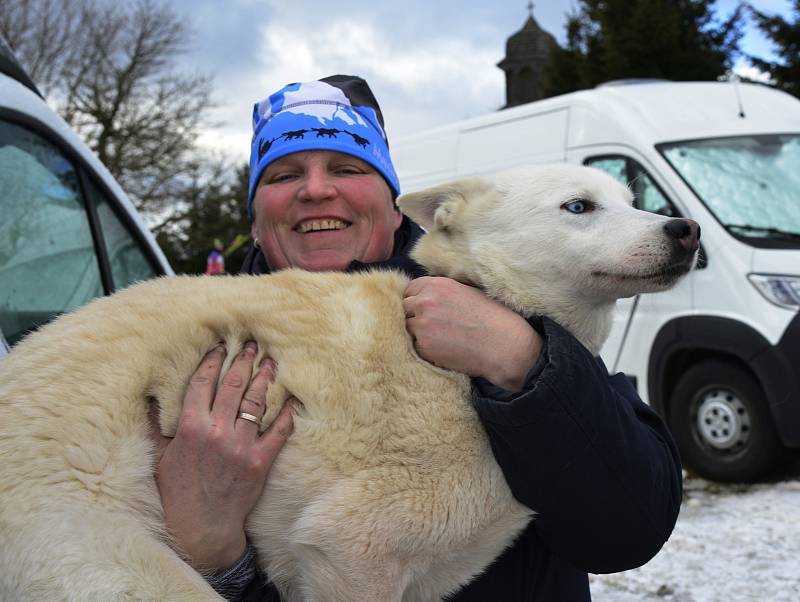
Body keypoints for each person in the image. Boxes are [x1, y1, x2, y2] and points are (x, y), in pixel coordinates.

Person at [151, 75, 682, 601]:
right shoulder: (192, 346)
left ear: (392, 196)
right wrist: (215, 557)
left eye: (346, 167)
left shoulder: (516, 302)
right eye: (284, 174)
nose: (315, 189)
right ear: (257, 209)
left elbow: (628, 530)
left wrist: (526, 362)